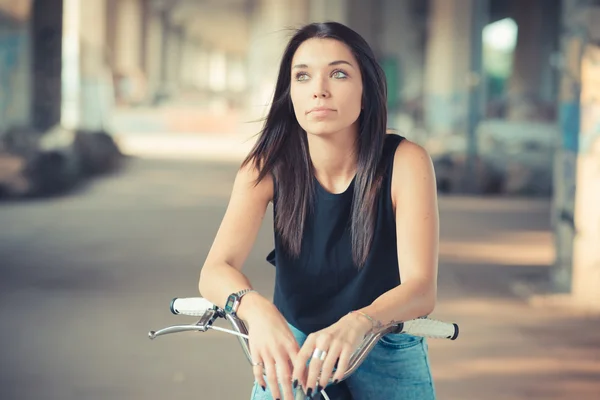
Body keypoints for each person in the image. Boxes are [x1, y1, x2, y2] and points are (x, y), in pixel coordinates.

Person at [198, 21, 439, 400]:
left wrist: (359, 321)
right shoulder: (266, 166)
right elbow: (215, 270)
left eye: (339, 74)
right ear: (289, 93)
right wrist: (256, 310)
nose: (319, 90)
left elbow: (420, 288)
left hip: (383, 339)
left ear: (366, 92)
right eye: (303, 76)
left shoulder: (405, 161)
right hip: (294, 343)